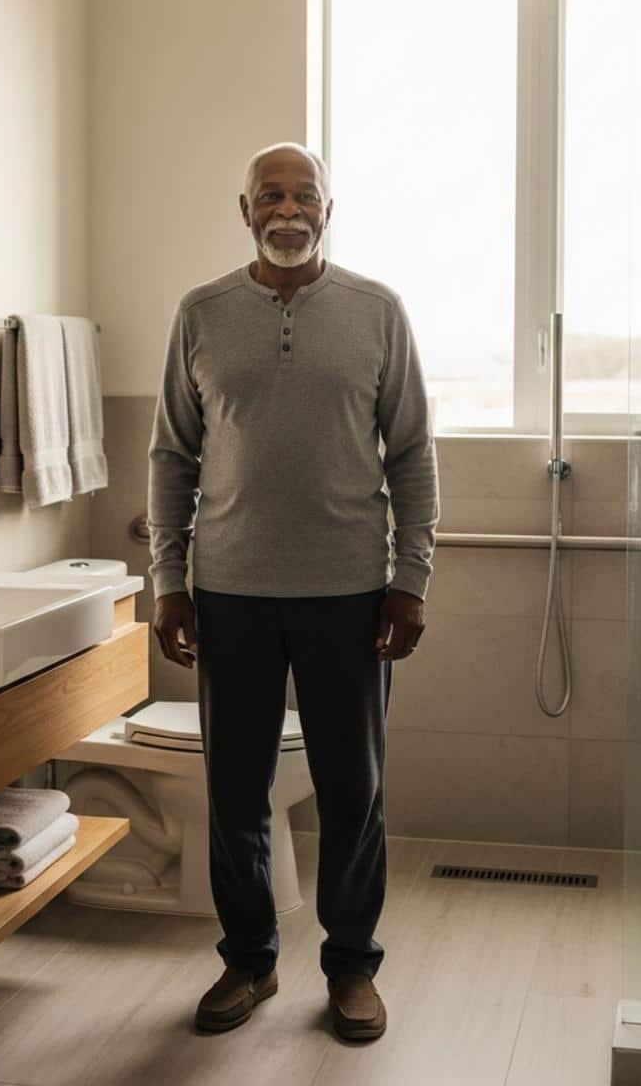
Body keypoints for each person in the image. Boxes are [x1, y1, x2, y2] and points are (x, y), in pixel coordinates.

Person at [147, 141, 439, 1042]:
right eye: (269, 193)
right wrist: (169, 580)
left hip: (349, 594)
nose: (287, 207)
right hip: (229, 592)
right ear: (244, 211)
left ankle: (351, 966)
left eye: (303, 193)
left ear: (328, 208)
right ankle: (249, 961)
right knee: (235, 789)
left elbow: (413, 455)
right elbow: (172, 456)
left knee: (354, 790)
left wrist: (409, 580)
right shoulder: (201, 314)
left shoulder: (376, 311)